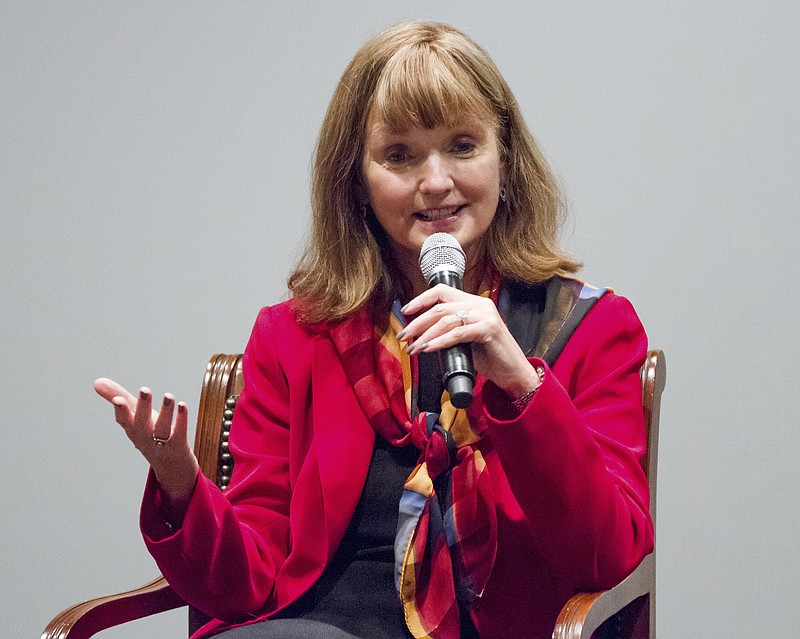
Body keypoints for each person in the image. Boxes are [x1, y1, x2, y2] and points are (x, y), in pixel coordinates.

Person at [94, 21, 653, 639]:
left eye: (463, 146)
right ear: (357, 180)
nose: (435, 181)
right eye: (399, 156)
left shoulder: (591, 328)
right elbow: (243, 586)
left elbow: (609, 558)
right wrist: (181, 485)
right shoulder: (293, 338)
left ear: (506, 159)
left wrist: (521, 383)